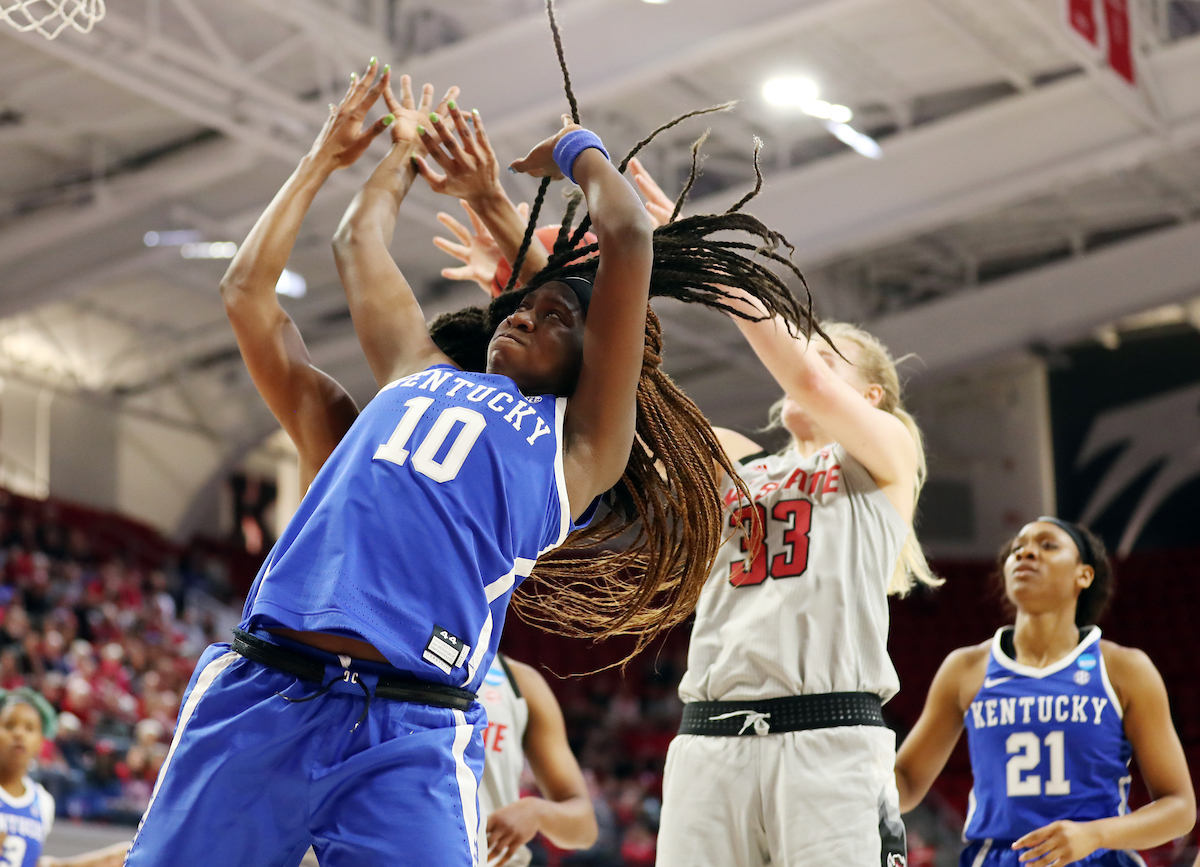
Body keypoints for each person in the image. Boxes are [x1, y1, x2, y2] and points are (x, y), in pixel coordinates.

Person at [126, 38, 809, 863]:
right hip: (266, 679)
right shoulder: (414, 370)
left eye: (557, 316)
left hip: (410, 720)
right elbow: (356, 244)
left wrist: (568, 150)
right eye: (523, 305)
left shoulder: (581, 447)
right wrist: (400, 151)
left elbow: (626, 233)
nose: (523, 314)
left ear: (594, 363)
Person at [620, 151, 938, 867]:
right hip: (709, 740)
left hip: (826, 741)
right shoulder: (739, 459)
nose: (808, 363)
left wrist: (698, 257)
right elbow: (628, 408)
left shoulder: (882, 455)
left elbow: (803, 377)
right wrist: (593, 286)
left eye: (829, 357)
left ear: (872, 397)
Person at [893, 519, 1195, 867]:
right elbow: (907, 782)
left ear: (1084, 575)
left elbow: (1180, 808)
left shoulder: (1124, 669)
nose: (1026, 552)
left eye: (1048, 545)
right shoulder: (965, 669)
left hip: (1099, 856)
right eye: (1017, 548)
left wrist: (1096, 834)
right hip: (999, 858)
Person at [0, 689, 128, 867]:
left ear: (41, 741)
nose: (19, 734)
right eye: (9, 725)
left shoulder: (43, 801)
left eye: (29, 728)